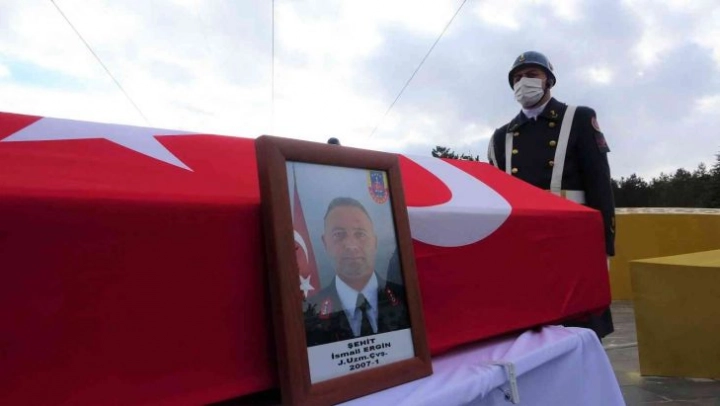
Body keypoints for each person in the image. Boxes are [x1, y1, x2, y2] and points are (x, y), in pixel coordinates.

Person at [487, 51, 616, 341]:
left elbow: (599, 184)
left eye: (532, 74)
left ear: (549, 81)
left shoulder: (578, 118)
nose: (524, 82)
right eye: (517, 78)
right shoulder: (501, 136)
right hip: (524, 243)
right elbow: (497, 199)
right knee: (531, 328)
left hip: (574, 240)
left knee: (579, 327)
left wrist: (604, 246)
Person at [304, 197, 409, 347]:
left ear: (375, 241)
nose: (351, 245)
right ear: (325, 243)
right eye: (339, 235)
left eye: (360, 234)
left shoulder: (405, 297)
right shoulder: (309, 312)